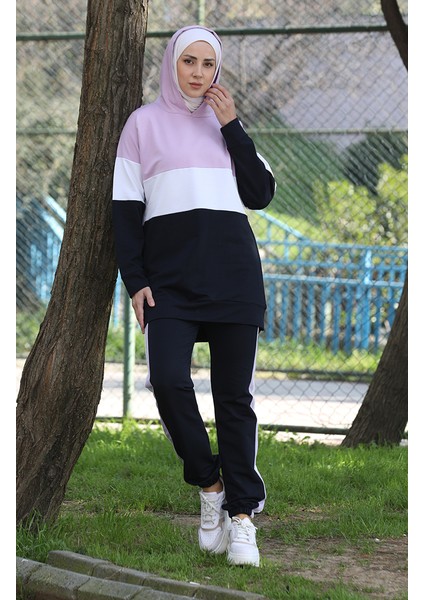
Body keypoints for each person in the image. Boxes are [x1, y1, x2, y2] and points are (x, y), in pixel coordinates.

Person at [112, 25, 275, 567]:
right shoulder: (141, 124)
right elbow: (125, 211)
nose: (199, 73)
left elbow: (261, 194)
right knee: (166, 381)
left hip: (234, 279)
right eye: (189, 61)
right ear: (172, 64)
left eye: (208, 64)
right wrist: (135, 280)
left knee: (234, 400)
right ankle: (210, 485)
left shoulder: (229, 125)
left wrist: (232, 127)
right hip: (169, 284)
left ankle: (243, 518)